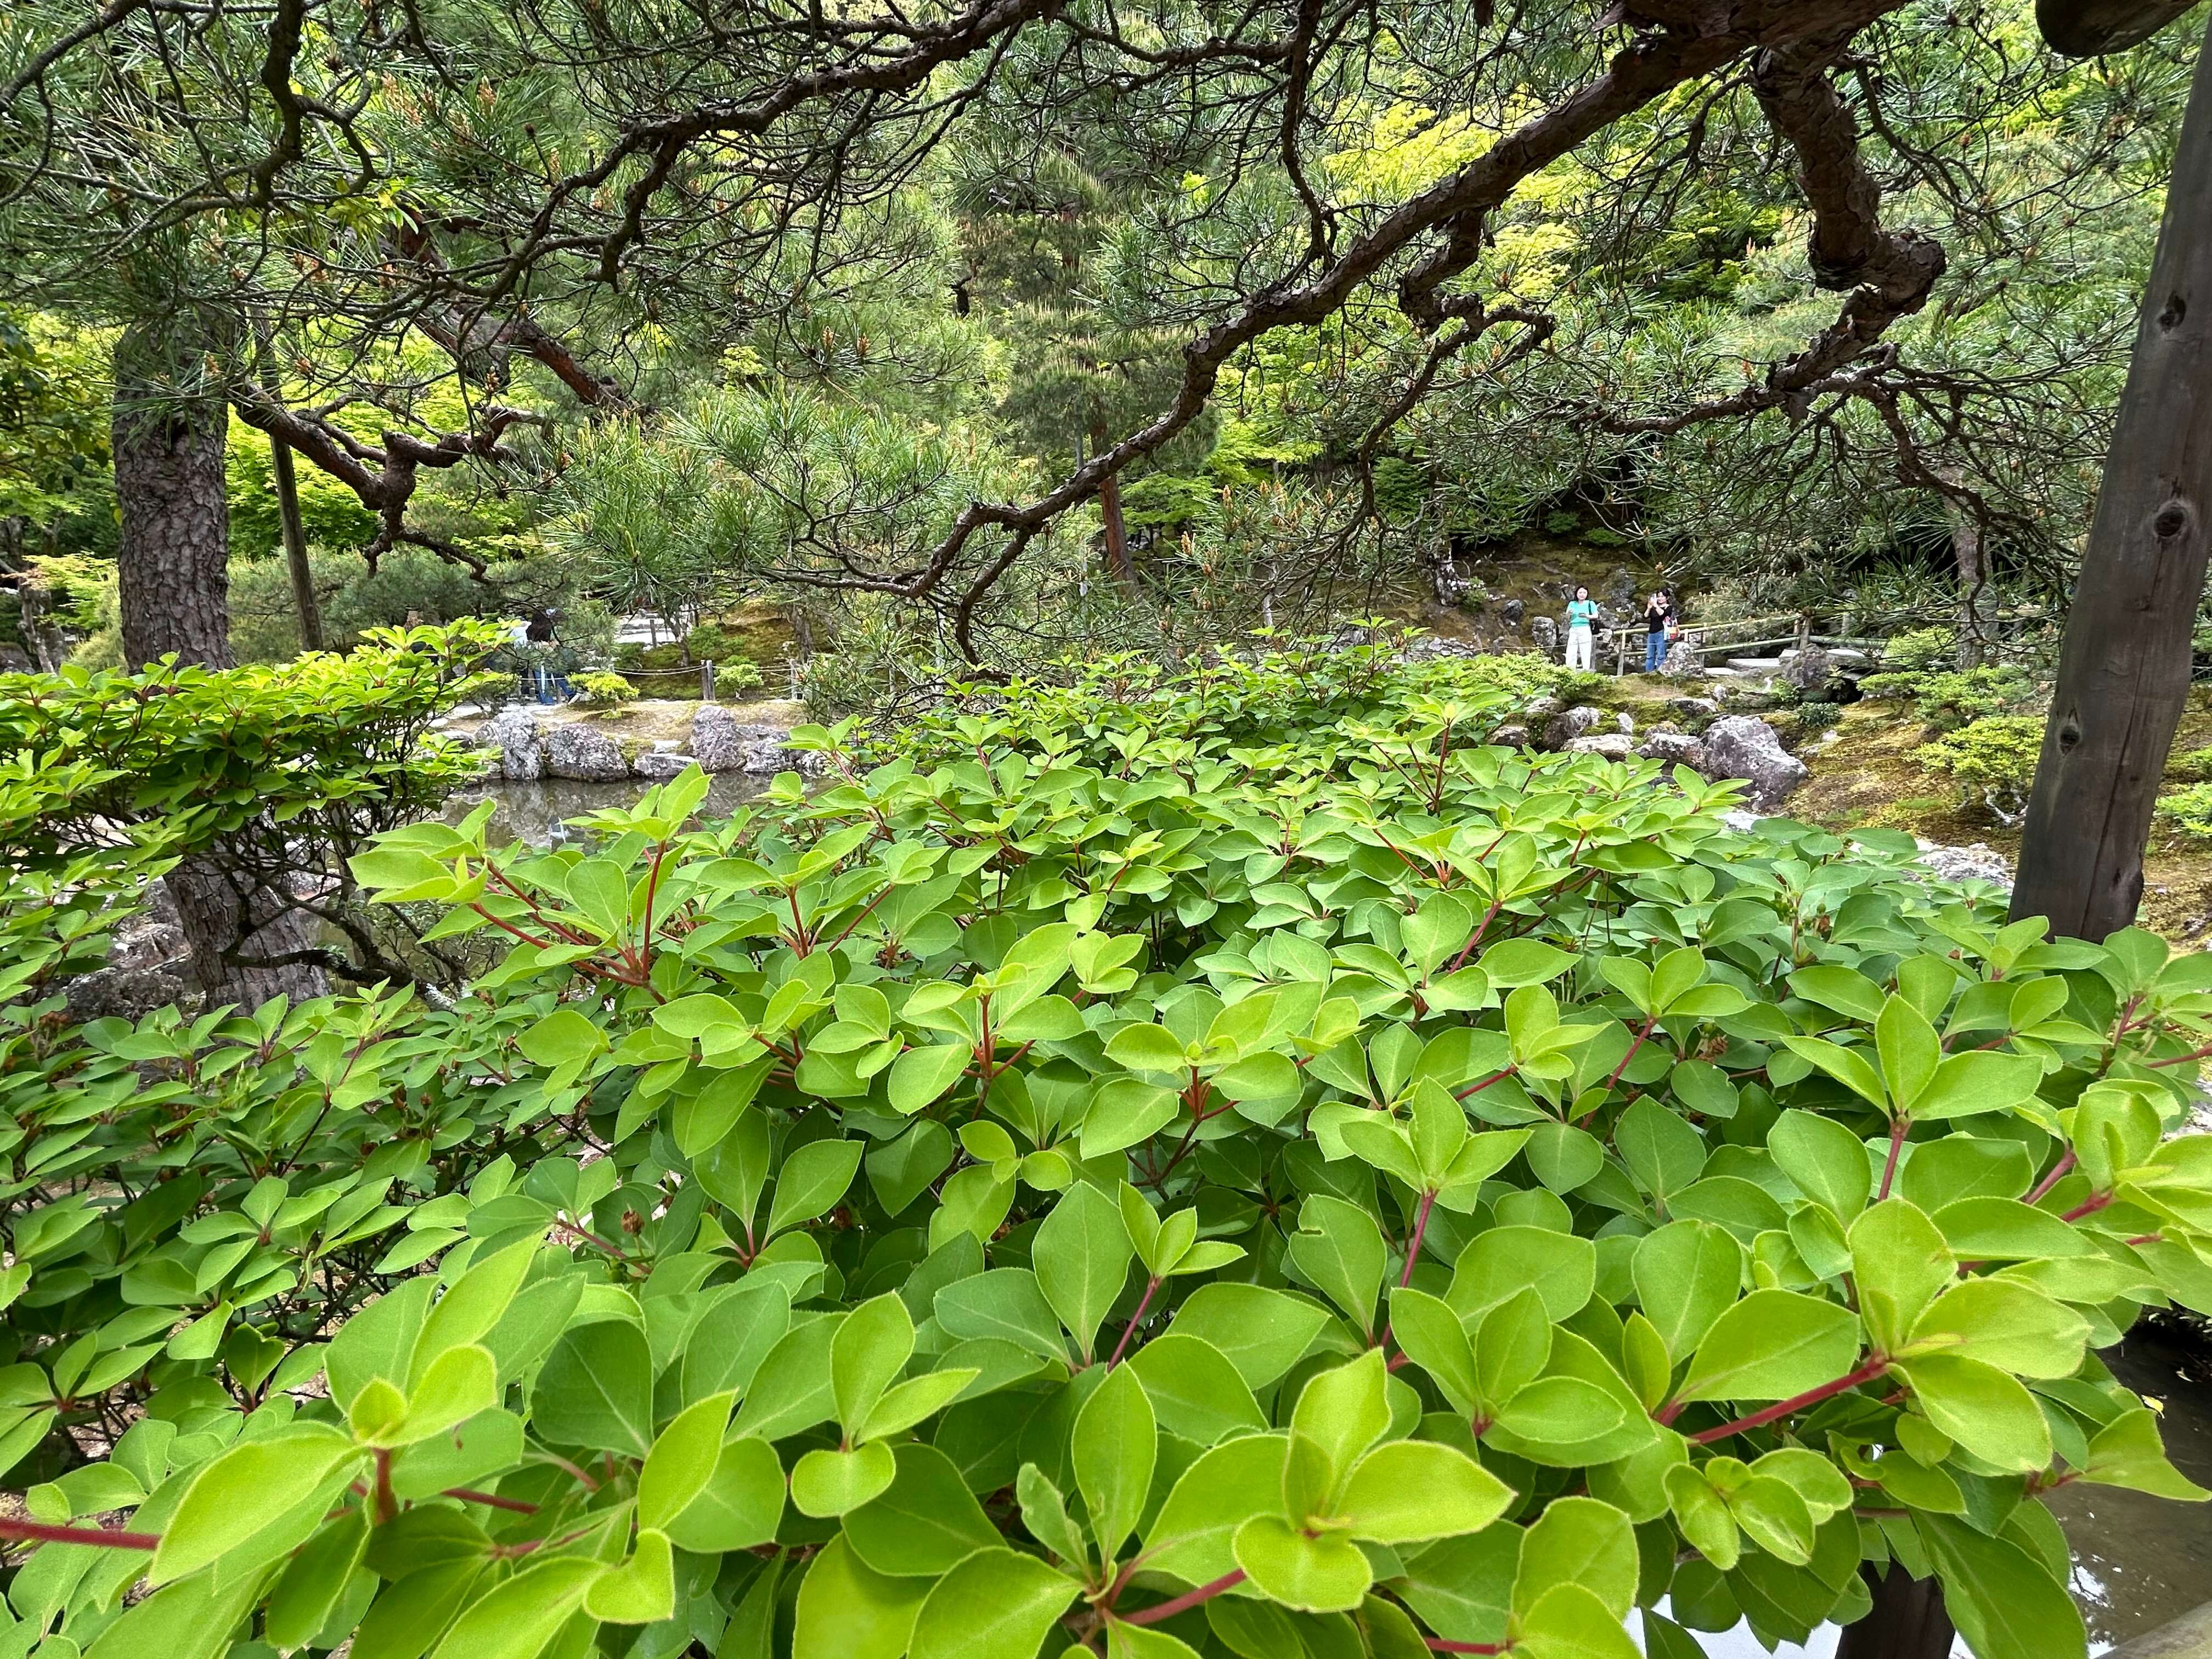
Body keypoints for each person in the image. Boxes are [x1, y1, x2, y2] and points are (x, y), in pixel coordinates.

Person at [1564, 586, 1599, 671]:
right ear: (1577, 594)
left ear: (1587, 594)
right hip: (1573, 628)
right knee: (1571, 649)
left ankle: (1586, 669)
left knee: (1585, 649)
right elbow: (1567, 618)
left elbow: (1596, 616)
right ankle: (1570, 669)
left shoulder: (1590, 603)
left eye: (1584, 593)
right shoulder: (1572, 604)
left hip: (1585, 628)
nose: (1582, 595)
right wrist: (1569, 613)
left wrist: (1587, 616)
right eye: (1580, 593)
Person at [1643, 589, 1674, 672]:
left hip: (1661, 632)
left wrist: (1656, 606)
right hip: (1651, 632)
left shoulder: (1669, 608)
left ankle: (1660, 672)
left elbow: (1663, 615)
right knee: (1650, 656)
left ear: (1667, 598)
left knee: (1661, 655)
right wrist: (1649, 608)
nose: (1660, 599)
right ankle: (1648, 673)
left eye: (1662, 597)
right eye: (1658, 597)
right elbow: (1645, 616)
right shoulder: (1654, 608)